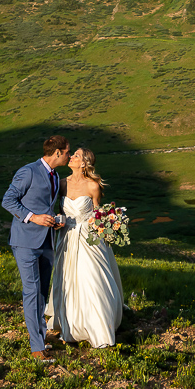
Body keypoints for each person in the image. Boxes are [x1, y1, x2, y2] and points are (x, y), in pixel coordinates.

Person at [45, 147, 123, 347]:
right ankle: (71, 323)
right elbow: (56, 210)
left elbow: (98, 213)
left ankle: (98, 326)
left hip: (89, 239)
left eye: (76, 155)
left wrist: (106, 224)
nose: (71, 157)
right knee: (68, 280)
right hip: (67, 237)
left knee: (92, 279)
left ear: (84, 163)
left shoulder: (93, 185)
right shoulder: (61, 184)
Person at [1, 135, 69, 363]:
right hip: (25, 242)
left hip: (48, 241)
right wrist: (33, 218)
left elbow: (49, 206)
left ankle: (40, 338)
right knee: (31, 292)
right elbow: (8, 200)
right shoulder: (28, 171)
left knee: (41, 293)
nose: (69, 156)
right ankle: (36, 348)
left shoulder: (56, 176)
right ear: (57, 152)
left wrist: (56, 220)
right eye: (67, 152)